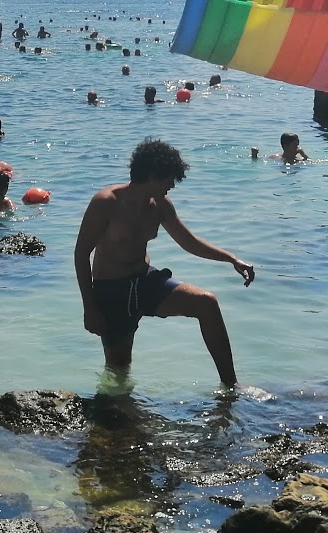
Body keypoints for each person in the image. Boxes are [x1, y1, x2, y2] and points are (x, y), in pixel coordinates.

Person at [73, 139, 256, 385]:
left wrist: (231, 259)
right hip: (112, 291)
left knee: (206, 303)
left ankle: (231, 387)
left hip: (145, 280)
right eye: (169, 179)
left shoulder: (160, 205)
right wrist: (89, 307)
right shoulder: (106, 202)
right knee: (119, 369)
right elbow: (81, 253)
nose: (172, 185)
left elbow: (188, 241)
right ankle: (114, 417)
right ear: (151, 175)